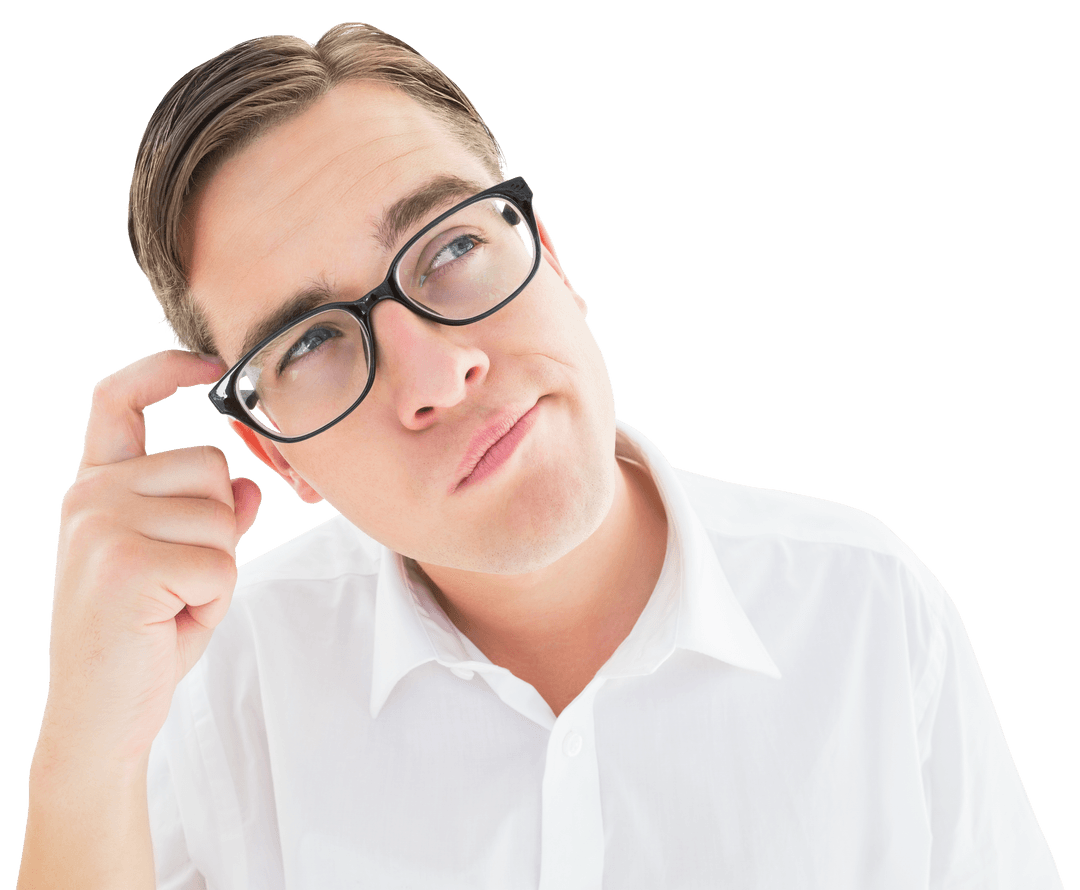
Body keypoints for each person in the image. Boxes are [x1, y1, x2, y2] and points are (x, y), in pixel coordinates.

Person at [17, 22, 1063, 890]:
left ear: (548, 256)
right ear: (276, 454)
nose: (435, 375)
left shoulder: (867, 607)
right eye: (314, 343)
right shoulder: (214, 683)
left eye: (453, 247)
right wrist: (82, 749)